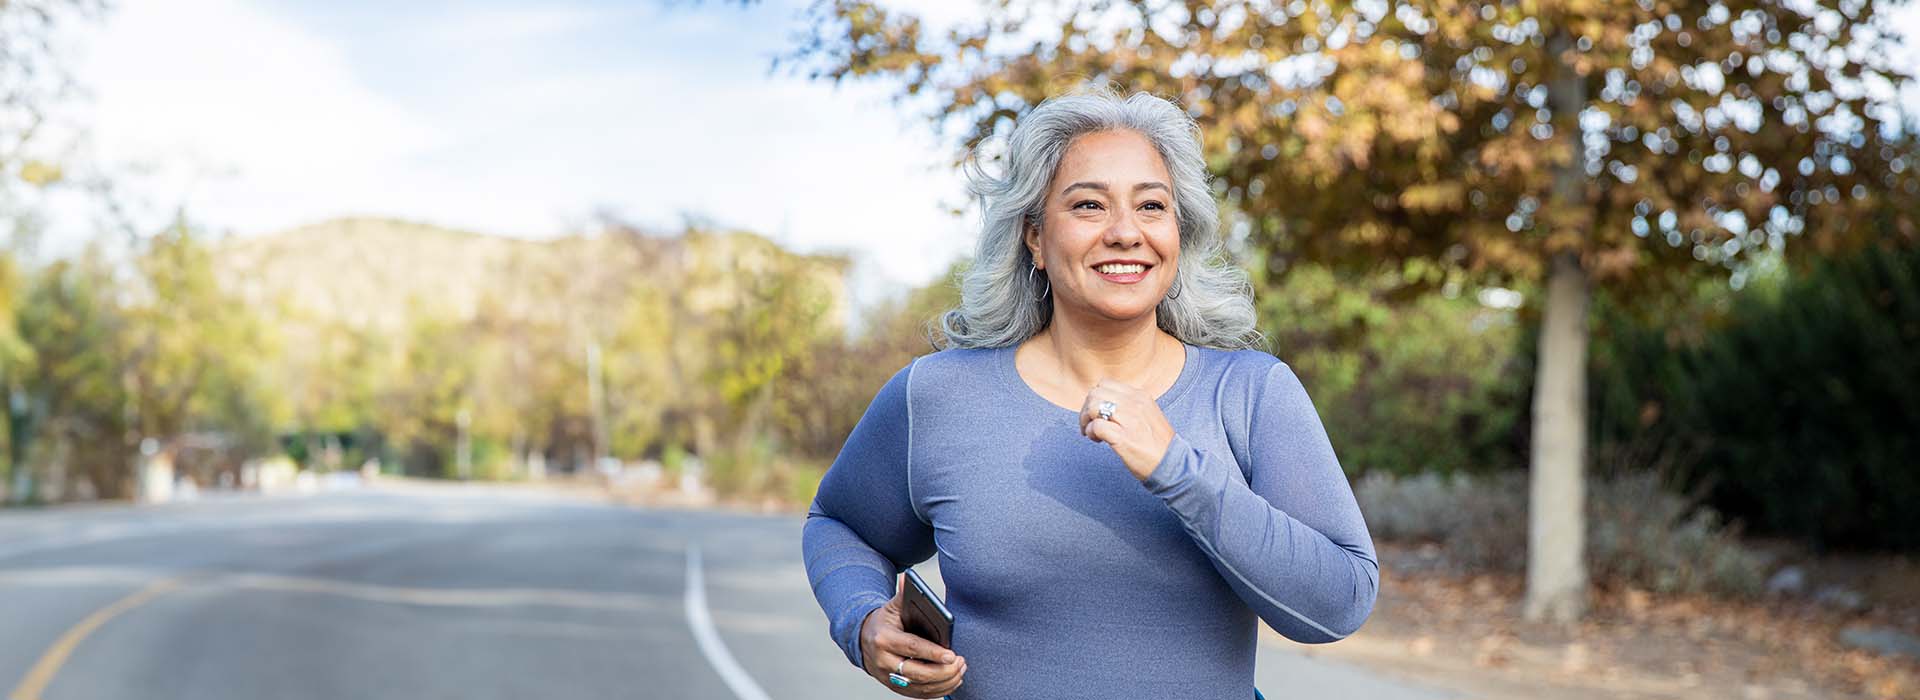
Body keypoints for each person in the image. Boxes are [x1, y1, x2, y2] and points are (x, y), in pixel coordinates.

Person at [802, 86, 1379, 699]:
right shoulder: (937, 395)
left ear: (1178, 233)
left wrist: (1178, 471)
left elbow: (1336, 606)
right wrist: (862, 619)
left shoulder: (1252, 392)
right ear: (1033, 237)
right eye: (1088, 206)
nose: (1126, 232)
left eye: (1152, 206)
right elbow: (839, 523)